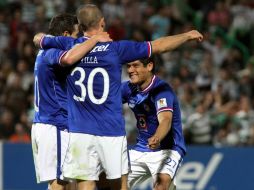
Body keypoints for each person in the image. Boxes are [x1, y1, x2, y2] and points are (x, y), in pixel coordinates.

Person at [34, 4, 203, 190]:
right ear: (102, 22)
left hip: (79, 131)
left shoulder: (69, 46)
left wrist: (88, 40)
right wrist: (186, 36)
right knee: (121, 185)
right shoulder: (116, 49)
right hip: (110, 131)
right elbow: (159, 46)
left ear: (80, 27)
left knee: (85, 184)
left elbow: (39, 39)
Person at [31, 13, 111, 190]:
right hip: (55, 124)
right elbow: (68, 58)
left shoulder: (44, 50)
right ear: (66, 35)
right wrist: (95, 39)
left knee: (68, 183)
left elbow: (39, 38)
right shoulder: (53, 52)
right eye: (76, 35)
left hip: (47, 123)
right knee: (60, 184)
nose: (79, 39)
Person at [121, 56, 186, 190]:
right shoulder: (128, 88)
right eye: (128, 66)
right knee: (116, 183)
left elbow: (165, 120)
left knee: (160, 185)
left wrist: (157, 137)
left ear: (149, 66)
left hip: (168, 148)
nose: (130, 70)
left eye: (135, 65)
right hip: (141, 148)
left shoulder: (162, 90)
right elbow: (105, 101)